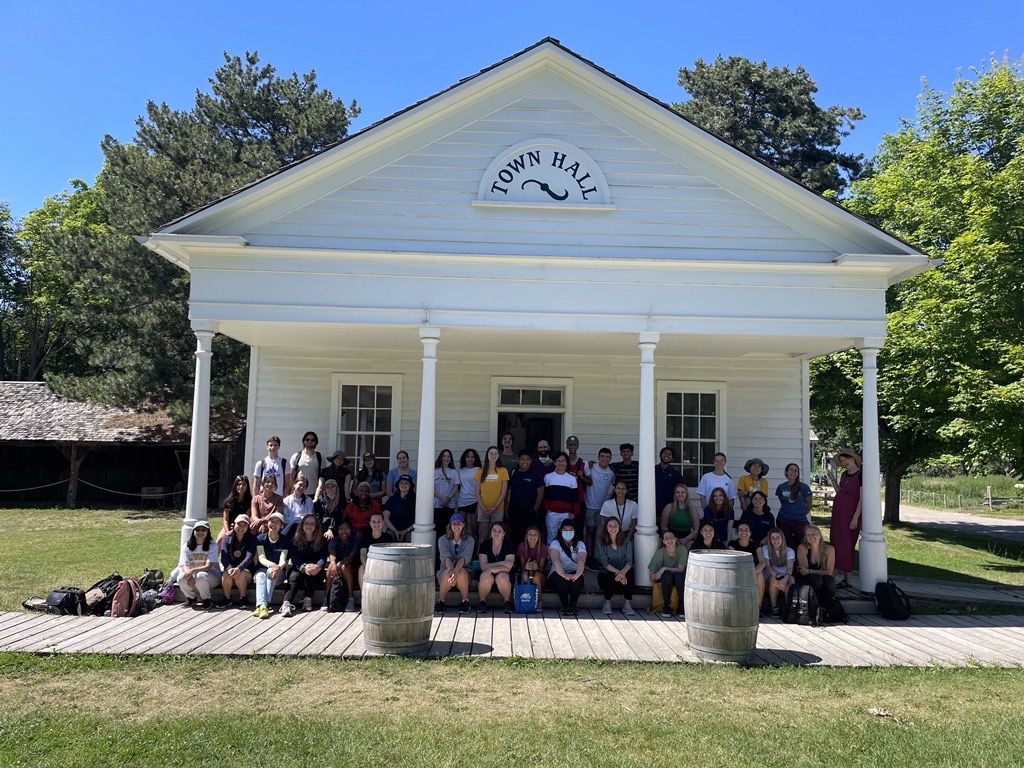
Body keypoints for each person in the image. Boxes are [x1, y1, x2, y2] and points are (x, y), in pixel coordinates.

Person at [281, 513, 328, 616]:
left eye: (312, 524)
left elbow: (322, 557)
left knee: (311, 572)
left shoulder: (321, 541)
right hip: (298, 569)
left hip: (315, 572)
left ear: (316, 526)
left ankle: (308, 599)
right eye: (306, 523)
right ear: (302, 525)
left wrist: (318, 566)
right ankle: (286, 604)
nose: (309, 526)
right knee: (294, 575)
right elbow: (293, 557)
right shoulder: (295, 540)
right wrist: (303, 567)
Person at [829, 448, 863, 588]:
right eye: (842, 461)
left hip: (851, 514)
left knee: (847, 544)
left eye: (846, 459)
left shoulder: (861, 474)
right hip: (839, 514)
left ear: (853, 458)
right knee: (836, 542)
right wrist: (832, 480)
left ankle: (837, 576)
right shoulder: (843, 475)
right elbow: (840, 492)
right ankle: (846, 579)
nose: (844, 462)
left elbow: (862, 498)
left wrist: (855, 517)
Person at [595, 517, 636, 616]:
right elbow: (605, 563)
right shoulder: (601, 544)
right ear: (606, 528)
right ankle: (607, 603)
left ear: (619, 527)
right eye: (610, 525)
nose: (613, 528)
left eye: (615, 525)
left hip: (624, 578)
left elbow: (629, 562)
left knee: (630, 573)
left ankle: (627, 604)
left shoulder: (626, 542)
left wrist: (623, 573)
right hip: (608, 577)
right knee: (611, 576)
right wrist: (619, 573)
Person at [177, 520, 221, 610]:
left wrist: (192, 571)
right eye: (198, 530)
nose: (200, 532)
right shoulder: (187, 546)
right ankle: (192, 598)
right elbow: (184, 564)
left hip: (212, 575)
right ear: (193, 531)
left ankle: (207, 600)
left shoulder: (212, 545)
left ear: (207, 532)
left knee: (200, 576)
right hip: (193, 574)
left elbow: (208, 566)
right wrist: (189, 575)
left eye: (203, 530)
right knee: (181, 578)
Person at [252, 512, 289, 619]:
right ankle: (264, 605)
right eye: (271, 521)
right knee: (260, 576)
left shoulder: (284, 540)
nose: (274, 524)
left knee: (270, 572)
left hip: (278, 572)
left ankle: (262, 606)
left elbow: (283, 559)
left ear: (281, 525)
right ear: (267, 523)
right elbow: (261, 558)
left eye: (277, 522)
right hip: (263, 569)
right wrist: (272, 565)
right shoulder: (260, 538)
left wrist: (277, 568)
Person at [436, 513, 474, 614]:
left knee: (461, 572)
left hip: (464, 573)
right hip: (447, 570)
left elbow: (464, 557)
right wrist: (452, 572)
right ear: (450, 525)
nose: (456, 526)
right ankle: (441, 601)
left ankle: (465, 601)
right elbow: (446, 556)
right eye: (454, 523)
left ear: (463, 525)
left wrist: (455, 572)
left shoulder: (470, 540)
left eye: (459, 523)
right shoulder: (442, 540)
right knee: (446, 573)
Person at [548, 518, 587, 616]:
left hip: (574, 573)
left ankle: (573, 605)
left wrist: (578, 574)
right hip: (557, 574)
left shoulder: (580, 544)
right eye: (565, 530)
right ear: (560, 531)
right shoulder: (555, 543)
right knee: (561, 579)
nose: (568, 532)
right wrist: (563, 574)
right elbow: (555, 560)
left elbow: (581, 560)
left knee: (578, 579)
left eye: (571, 530)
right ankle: (564, 605)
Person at [506, 449, 544, 545]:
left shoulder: (536, 474)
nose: (525, 461)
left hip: (529, 512)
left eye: (527, 459)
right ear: (518, 460)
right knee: (514, 536)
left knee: (527, 538)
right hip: (514, 511)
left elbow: (541, 493)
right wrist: (507, 506)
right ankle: (515, 559)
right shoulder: (514, 473)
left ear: (531, 461)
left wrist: (535, 509)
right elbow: (510, 490)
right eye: (522, 459)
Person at [476, 522, 516, 613]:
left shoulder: (509, 545)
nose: (496, 533)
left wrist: (491, 568)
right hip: (488, 574)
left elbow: (509, 567)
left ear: (504, 534)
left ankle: (507, 602)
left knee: (502, 576)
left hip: (504, 575)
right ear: (490, 532)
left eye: (499, 531)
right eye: (494, 530)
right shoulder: (484, 545)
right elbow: (483, 567)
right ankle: (482, 602)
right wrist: (502, 564)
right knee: (485, 575)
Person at [583, 447, 616, 553]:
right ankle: (588, 558)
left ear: (610, 458)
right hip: (589, 505)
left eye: (607, 457)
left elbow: (616, 486)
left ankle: (592, 556)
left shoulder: (611, 472)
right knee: (590, 531)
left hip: (600, 507)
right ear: (598, 457)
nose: (604, 459)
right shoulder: (590, 467)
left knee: (595, 531)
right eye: (602, 456)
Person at [474, 445, 510, 544]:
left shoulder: (503, 471)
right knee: (483, 534)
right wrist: (483, 508)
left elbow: (504, 492)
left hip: (497, 509)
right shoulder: (480, 471)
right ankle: (481, 556)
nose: (493, 455)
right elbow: (477, 492)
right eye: (491, 453)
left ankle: (493, 557)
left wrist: (494, 507)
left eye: (495, 453)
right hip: (483, 508)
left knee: (495, 536)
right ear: (487, 455)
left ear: (498, 455)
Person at [648, 530, 687, 619]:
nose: (669, 540)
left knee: (678, 575)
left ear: (676, 539)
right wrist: (660, 573)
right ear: (663, 542)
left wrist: (664, 568)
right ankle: (666, 605)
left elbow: (680, 569)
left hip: (679, 579)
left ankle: (682, 606)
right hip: (666, 580)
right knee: (667, 574)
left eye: (671, 537)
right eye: (666, 538)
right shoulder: (660, 552)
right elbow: (652, 577)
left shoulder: (682, 550)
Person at [796, 525, 838, 609]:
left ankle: (828, 606)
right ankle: (814, 606)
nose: (811, 536)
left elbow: (829, 572)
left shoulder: (829, 549)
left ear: (820, 535)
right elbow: (803, 571)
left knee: (829, 580)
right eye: (808, 535)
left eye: (813, 534)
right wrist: (810, 572)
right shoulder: (802, 548)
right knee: (817, 579)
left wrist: (809, 571)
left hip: (821, 578)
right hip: (807, 579)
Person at [219, 514, 255, 607]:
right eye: (239, 524)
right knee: (226, 573)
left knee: (240, 574)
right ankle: (227, 598)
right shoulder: (227, 538)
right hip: (230, 570)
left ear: (248, 526)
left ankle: (243, 598)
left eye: (244, 525)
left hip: (246, 571)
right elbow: (224, 556)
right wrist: (230, 568)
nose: (241, 527)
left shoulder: (252, 538)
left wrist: (239, 568)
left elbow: (249, 557)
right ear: (234, 525)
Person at [758, 527, 795, 617]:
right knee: (773, 579)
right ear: (769, 540)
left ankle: (789, 608)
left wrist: (785, 579)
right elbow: (768, 566)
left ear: (782, 538)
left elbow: (790, 567)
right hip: (771, 577)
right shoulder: (765, 549)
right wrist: (779, 577)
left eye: (778, 537)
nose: (775, 540)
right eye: (772, 538)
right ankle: (774, 608)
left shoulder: (789, 551)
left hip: (784, 576)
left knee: (791, 580)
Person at [775, 463, 813, 551]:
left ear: (798, 473)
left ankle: (801, 562)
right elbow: (782, 502)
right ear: (786, 472)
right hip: (784, 519)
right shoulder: (781, 487)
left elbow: (809, 504)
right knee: (786, 543)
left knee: (803, 542)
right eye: (791, 470)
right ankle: (788, 561)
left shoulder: (804, 487)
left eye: (796, 470)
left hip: (800, 520)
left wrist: (801, 513)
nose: (793, 472)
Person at [543, 452, 580, 543]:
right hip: (552, 514)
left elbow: (575, 498)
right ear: (554, 463)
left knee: (566, 539)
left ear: (566, 462)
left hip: (566, 514)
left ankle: (564, 557)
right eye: (558, 461)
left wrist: (575, 513)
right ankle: (550, 557)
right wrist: (548, 510)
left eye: (563, 461)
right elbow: (545, 496)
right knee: (551, 539)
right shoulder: (548, 477)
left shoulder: (571, 479)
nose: (561, 463)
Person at [326, 520, 360, 612]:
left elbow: (352, 556)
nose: (344, 531)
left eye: (347, 529)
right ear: (337, 531)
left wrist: (339, 564)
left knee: (345, 566)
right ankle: (326, 598)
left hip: (351, 571)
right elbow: (332, 553)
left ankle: (351, 599)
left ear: (351, 530)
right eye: (341, 529)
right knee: (330, 566)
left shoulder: (355, 540)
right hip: (336, 571)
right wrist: (333, 564)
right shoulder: (334, 540)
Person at [357, 512, 395, 591]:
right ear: (370, 524)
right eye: (373, 522)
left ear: (383, 523)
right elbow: (363, 554)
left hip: (383, 565)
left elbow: (389, 555)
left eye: (379, 521)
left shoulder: (388, 538)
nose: (376, 524)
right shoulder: (365, 538)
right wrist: (369, 566)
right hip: (369, 564)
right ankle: (363, 597)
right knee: (361, 568)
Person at [516, 525, 548, 612]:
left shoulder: (543, 547)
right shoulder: (521, 546)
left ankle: (538, 602)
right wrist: (526, 566)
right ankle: (526, 600)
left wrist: (536, 567)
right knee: (526, 575)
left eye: (535, 535)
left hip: (539, 575)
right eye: (530, 534)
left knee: (536, 576)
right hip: (526, 573)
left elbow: (543, 569)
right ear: (526, 536)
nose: (532, 537)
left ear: (539, 537)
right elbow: (521, 566)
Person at [432, 448, 460, 539]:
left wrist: (447, 498)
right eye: (444, 456)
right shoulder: (434, 471)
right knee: (438, 530)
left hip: (449, 505)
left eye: (448, 456)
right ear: (440, 457)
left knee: (448, 531)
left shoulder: (454, 472)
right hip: (437, 505)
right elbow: (431, 488)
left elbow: (456, 487)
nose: (446, 458)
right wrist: (441, 498)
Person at [660, 483, 699, 547]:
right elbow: (663, 526)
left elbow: (696, 529)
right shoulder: (669, 507)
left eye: (683, 492)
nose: (680, 494)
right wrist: (673, 538)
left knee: (690, 545)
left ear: (686, 494)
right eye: (677, 492)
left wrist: (686, 539)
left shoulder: (693, 510)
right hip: (671, 535)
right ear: (675, 494)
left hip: (687, 536)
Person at [217, 475, 252, 544]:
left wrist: (236, 529)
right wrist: (227, 531)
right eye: (239, 484)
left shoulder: (249, 502)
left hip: (242, 527)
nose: (241, 487)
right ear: (235, 486)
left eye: (244, 485)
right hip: (228, 526)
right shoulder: (228, 502)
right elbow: (225, 519)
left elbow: (246, 519)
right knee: (218, 541)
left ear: (247, 486)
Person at [289, 431, 323, 499]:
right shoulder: (296, 456)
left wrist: (319, 491)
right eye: (307, 439)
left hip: (313, 492)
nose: (309, 441)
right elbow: (291, 476)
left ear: (316, 442)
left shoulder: (320, 456)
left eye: (312, 440)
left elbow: (321, 477)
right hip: (298, 491)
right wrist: (291, 490)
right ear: (303, 441)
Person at [384, 474, 416, 541]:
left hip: (409, 530)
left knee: (410, 539)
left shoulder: (415, 500)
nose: (403, 485)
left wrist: (407, 530)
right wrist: (395, 531)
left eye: (406, 483)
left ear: (410, 486)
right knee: (388, 537)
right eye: (401, 483)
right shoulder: (392, 499)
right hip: (393, 529)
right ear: (398, 485)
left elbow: (418, 520)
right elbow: (386, 519)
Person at [456, 448, 482, 531]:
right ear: (464, 458)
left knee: (474, 528)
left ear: (475, 458)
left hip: (474, 501)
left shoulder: (479, 470)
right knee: (462, 527)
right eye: (467, 457)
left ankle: (474, 544)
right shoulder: (460, 471)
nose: (470, 459)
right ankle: (464, 544)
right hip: (462, 501)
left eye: (472, 457)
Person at [654, 446, 685, 514]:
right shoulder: (653, 470)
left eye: (669, 454)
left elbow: (681, 488)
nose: (667, 455)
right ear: (660, 456)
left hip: (670, 506)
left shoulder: (675, 472)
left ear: (672, 458)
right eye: (665, 453)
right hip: (653, 505)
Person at [564, 436, 588, 514]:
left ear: (578, 446)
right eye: (570, 444)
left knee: (580, 525)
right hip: (566, 499)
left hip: (579, 499)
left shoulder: (583, 463)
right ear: (567, 446)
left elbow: (590, 482)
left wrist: (582, 477)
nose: (572, 447)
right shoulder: (562, 462)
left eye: (574, 444)